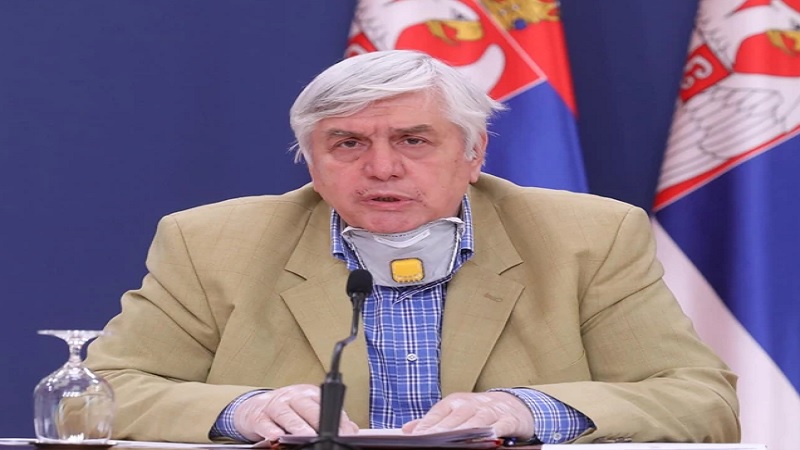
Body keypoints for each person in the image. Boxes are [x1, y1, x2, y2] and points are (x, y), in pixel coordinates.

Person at [85, 50, 740, 445]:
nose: (381, 168)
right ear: (310, 161)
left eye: (413, 140)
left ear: (474, 154)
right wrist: (245, 410)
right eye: (347, 143)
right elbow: (104, 390)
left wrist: (522, 409)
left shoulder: (587, 237)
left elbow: (698, 400)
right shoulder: (210, 243)